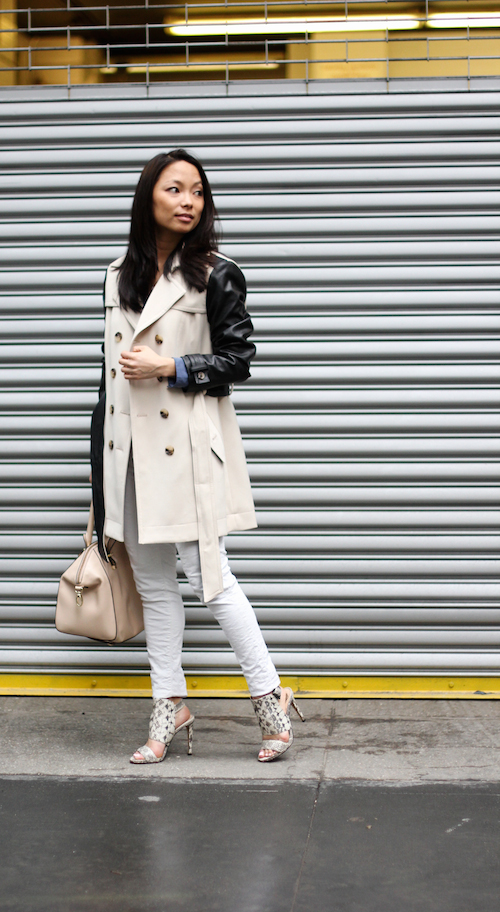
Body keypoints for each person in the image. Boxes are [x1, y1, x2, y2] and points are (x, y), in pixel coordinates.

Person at [90, 148, 303, 764]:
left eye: (198, 192)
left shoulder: (217, 273)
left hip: (184, 449)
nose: (188, 201)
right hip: (127, 456)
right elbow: (105, 384)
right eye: (175, 190)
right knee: (155, 588)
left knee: (213, 581)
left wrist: (172, 366)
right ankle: (169, 707)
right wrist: (100, 482)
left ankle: (270, 699)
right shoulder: (116, 275)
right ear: (147, 198)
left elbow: (239, 361)